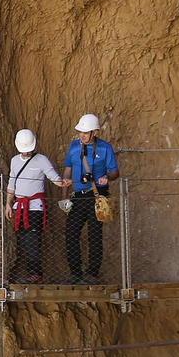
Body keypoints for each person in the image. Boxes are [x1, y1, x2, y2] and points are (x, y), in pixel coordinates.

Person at [60, 114, 119, 283]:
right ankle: (75, 273)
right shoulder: (73, 147)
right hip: (78, 197)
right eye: (80, 132)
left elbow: (115, 171)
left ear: (94, 132)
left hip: (97, 196)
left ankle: (92, 274)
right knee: (71, 233)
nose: (82, 135)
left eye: (85, 132)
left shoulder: (105, 148)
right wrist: (64, 198)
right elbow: (67, 171)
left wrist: (107, 177)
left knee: (94, 234)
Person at [6, 129, 68, 283]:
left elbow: (53, 177)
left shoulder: (41, 160)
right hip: (19, 206)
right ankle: (32, 274)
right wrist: (8, 203)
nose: (26, 153)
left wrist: (63, 183)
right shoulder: (14, 161)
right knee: (25, 241)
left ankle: (35, 274)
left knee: (33, 239)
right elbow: (11, 184)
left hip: (35, 207)